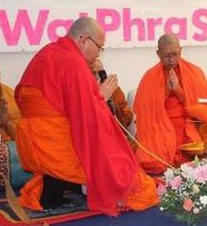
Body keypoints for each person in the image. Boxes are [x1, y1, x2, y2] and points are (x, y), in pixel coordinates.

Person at [15, 17, 157, 214]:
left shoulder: (50, 51)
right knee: (107, 155)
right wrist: (102, 96)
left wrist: (96, 97)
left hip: (34, 131)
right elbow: (87, 113)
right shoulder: (73, 61)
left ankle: (57, 194)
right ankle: (58, 195)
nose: (99, 53)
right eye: (99, 47)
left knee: (76, 148)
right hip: (51, 132)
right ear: (83, 40)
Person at [134, 34, 207, 174]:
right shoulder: (150, 76)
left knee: (196, 149)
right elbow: (145, 110)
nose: (171, 59)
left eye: (175, 54)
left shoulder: (195, 72)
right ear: (158, 54)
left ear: (180, 50)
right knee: (154, 159)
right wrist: (167, 91)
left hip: (188, 123)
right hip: (160, 125)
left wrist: (178, 90)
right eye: (166, 55)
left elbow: (201, 108)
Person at [91, 58, 133, 129]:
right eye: (94, 73)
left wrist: (114, 108)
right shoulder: (85, 92)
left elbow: (127, 118)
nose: (98, 76)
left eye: (101, 72)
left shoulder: (114, 89)